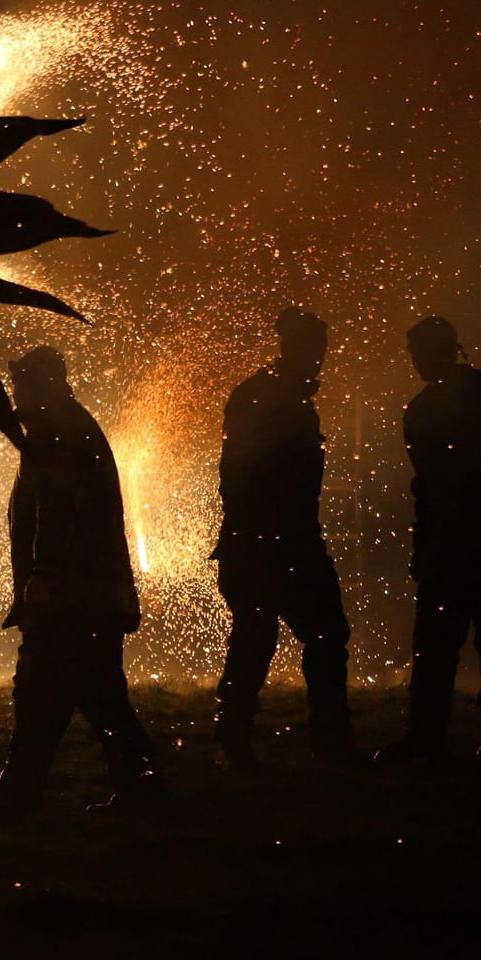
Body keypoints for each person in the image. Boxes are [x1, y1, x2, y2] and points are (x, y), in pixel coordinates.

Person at [0, 345, 163, 817]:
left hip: (70, 597)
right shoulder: (71, 424)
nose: (15, 398)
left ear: (38, 386)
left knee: (41, 692)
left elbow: (57, 510)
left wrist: (44, 578)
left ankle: (21, 793)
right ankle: (141, 790)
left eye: (20, 387)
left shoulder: (55, 433)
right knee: (98, 697)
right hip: (90, 596)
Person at [376, 317, 481, 763]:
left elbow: (432, 486)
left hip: (468, 544)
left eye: (419, 353)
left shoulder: (428, 408)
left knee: (450, 643)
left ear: (443, 351)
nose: (415, 362)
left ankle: (435, 736)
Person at [211, 308, 356, 768]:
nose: (320, 359)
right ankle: (327, 742)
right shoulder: (274, 398)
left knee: (261, 638)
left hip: (266, 540)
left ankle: (237, 740)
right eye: (314, 349)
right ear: (294, 347)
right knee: (316, 636)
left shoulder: (269, 394)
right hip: (276, 541)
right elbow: (246, 474)